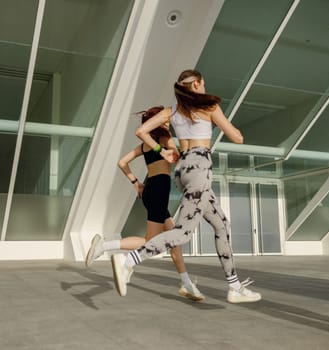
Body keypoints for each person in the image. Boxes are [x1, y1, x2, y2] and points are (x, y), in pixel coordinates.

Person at [110, 69, 262, 303]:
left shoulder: (172, 113)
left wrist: (161, 151)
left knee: (221, 224)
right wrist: (235, 131)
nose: (203, 88)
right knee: (183, 232)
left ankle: (234, 287)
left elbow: (141, 132)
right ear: (198, 84)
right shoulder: (210, 107)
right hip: (200, 167)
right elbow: (237, 137)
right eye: (202, 84)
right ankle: (128, 261)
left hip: (184, 169)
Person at [85, 106, 205, 301]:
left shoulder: (145, 145)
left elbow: (122, 162)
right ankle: (104, 245)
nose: (167, 122)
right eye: (164, 119)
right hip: (158, 190)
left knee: (174, 241)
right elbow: (177, 159)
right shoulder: (165, 137)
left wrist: (136, 183)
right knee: (151, 242)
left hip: (150, 188)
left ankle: (187, 284)